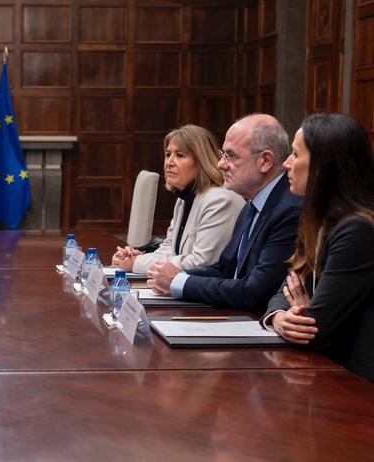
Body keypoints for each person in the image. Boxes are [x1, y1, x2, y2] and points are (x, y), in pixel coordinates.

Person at [146, 114, 302, 316]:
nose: (221, 164)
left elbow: (256, 292)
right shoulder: (252, 204)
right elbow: (226, 268)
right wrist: (177, 276)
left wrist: (179, 282)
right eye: (223, 154)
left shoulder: (288, 209)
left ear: (265, 160)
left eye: (231, 156)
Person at [261, 113, 374, 381]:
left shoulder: (356, 230)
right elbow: (286, 288)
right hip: (325, 370)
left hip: (356, 384)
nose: (286, 164)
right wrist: (279, 317)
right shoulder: (317, 218)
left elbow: (315, 330)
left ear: (323, 167)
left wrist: (304, 312)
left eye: (295, 154)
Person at [111, 124, 243, 274]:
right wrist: (138, 257)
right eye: (168, 155)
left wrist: (137, 264)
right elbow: (170, 248)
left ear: (201, 161)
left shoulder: (219, 200)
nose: (169, 162)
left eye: (180, 155)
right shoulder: (185, 197)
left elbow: (202, 263)